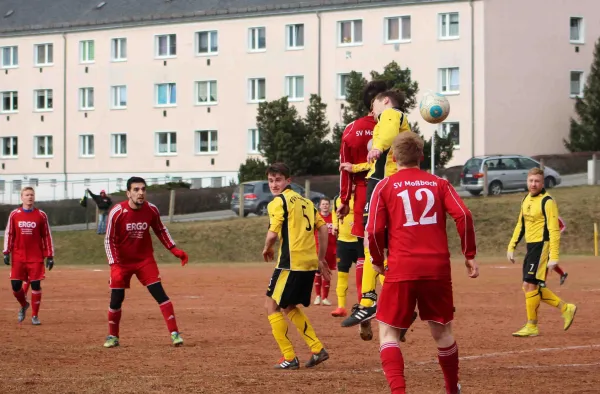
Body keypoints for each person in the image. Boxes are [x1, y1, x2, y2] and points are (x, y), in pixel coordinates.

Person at [367, 132, 478, 394]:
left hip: (401, 267)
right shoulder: (439, 183)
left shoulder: (384, 186)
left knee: (389, 332)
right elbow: (463, 215)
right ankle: (452, 389)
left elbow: (372, 230)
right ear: (421, 156)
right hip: (436, 268)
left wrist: (376, 260)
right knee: (442, 332)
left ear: (393, 157)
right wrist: (469, 254)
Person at [341, 89, 412, 331]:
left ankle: (368, 301)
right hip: (385, 182)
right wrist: (356, 166)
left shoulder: (391, 113)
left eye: (374, 104)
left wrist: (377, 146)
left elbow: (385, 144)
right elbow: (381, 160)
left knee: (371, 241)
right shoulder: (391, 121)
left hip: (383, 185)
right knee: (385, 247)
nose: (373, 111)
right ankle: (400, 304)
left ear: (385, 101)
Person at [103, 176, 189, 348]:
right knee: (116, 299)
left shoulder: (151, 210)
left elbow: (160, 230)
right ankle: (113, 336)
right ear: (128, 193)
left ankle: (175, 333)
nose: (140, 193)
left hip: (144, 260)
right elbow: (109, 240)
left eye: (143, 189)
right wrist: (114, 265)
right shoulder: (117, 211)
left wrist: (174, 249)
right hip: (121, 263)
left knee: (160, 294)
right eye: (136, 190)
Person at [263, 163, 330, 370]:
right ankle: (317, 349)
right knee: (288, 306)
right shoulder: (307, 202)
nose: (274, 184)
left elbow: (273, 233)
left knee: (271, 306)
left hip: (290, 263)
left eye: (278, 180)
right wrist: (320, 258)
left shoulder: (278, 203)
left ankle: (289, 357)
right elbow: (324, 228)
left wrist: (267, 248)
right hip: (308, 263)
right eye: (271, 180)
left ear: (288, 181)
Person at [336, 80, 386, 340]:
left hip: (362, 196)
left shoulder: (352, 129)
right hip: (389, 192)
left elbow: (344, 167)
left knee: (364, 254)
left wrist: (344, 200)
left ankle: (365, 309)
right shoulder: (393, 126)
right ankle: (394, 308)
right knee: (386, 251)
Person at [507, 168, 577, 338]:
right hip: (531, 247)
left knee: (530, 285)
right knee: (528, 286)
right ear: (527, 181)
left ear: (542, 182)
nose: (533, 184)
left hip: (542, 246)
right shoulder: (526, 199)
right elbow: (520, 225)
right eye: (531, 181)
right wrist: (511, 246)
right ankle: (566, 308)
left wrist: (554, 256)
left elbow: (554, 230)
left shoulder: (548, 201)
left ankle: (532, 326)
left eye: (537, 181)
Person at [3, 187, 54, 325]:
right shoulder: (14, 214)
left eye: (32, 195)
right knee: (15, 286)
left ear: (34, 197)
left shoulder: (41, 215)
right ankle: (24, 304)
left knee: (36, 284)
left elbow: (47, 235)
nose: (29, 197)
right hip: (18, 255)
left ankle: (35, 316)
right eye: (27, 195)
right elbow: (9, 233)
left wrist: (50, 255)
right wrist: (6, 252)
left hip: (36, 256)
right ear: (22, 198)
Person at [330, 191, 362, 318]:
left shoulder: (363, 196)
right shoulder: (338, 198)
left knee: (363, 277)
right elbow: (334, 212)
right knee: (342, 275)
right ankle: (341, 307)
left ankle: (363, 305)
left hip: (359, 241)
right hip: (343, 242)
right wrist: (335, 225)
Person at [313, 197, 337, 306]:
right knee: (318, 272)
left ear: (330, 205)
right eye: (323, 204)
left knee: (327, 272)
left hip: (331, 249)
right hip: (318, 248)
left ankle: (325, 298)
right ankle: (317, 296)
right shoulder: (317, 218)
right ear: (320, 206)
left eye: (327, 204)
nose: (325, 206)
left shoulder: (334, 218)